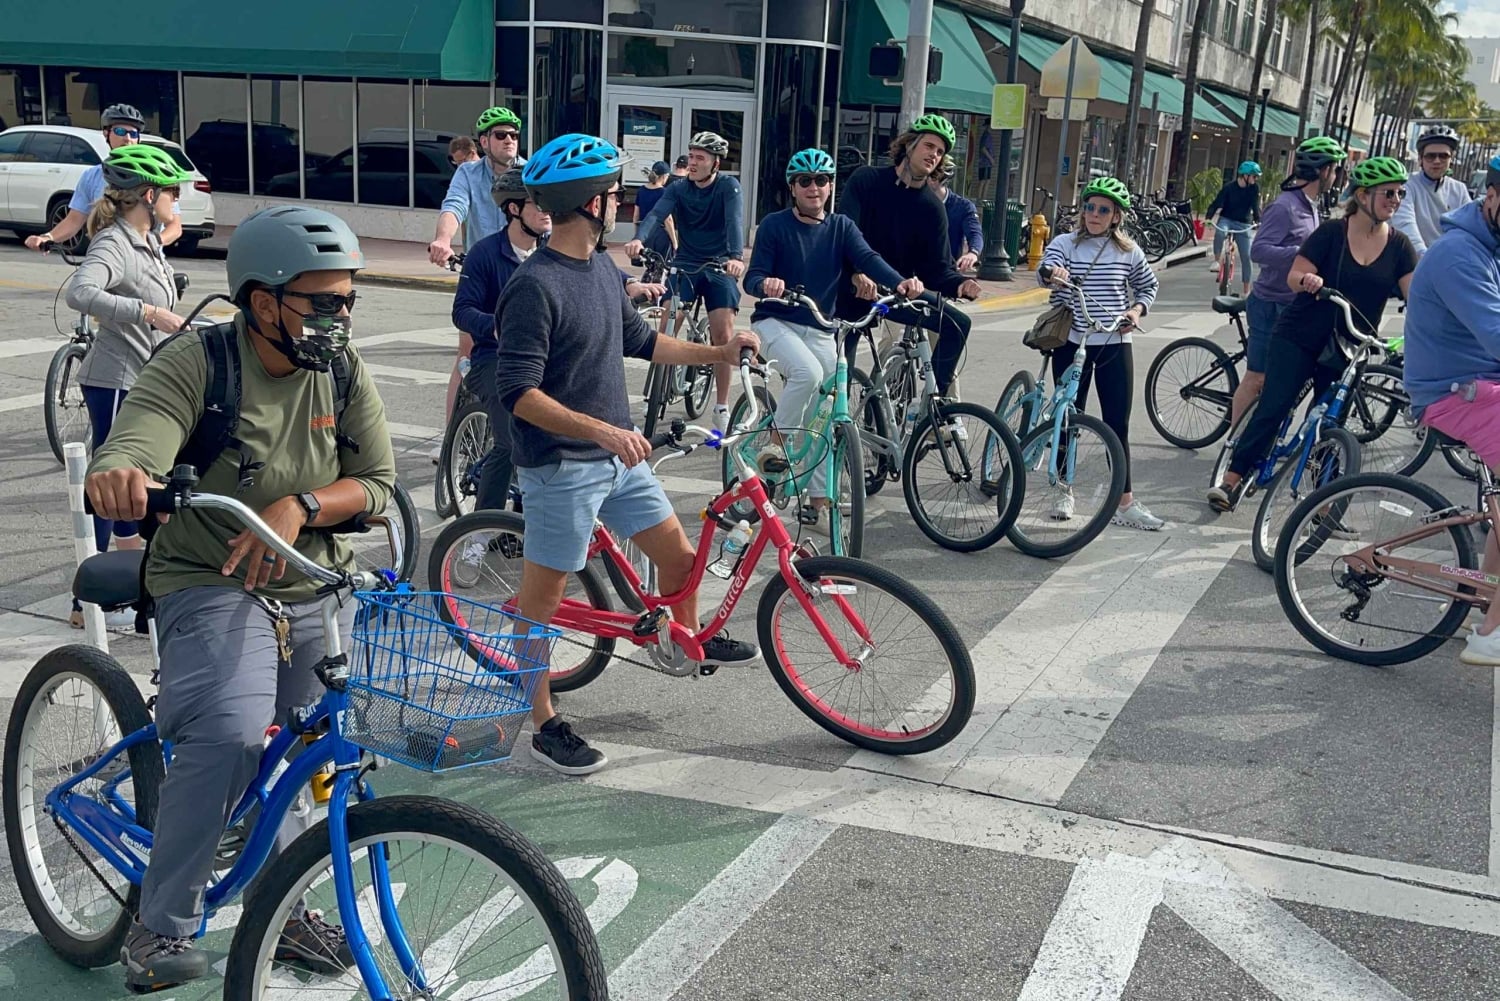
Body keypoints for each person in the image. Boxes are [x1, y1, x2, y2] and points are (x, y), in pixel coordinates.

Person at [85, 205, 396, 990]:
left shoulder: (342, 369)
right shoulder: (201, 361)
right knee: (229, 735)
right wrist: (122, 470)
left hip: (312, 576)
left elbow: (380, 486)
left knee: (308, 752)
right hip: (211, 577)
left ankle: (280, 908)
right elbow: (142, 431)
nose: (340, 318)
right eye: (323, 303)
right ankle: (159, 929)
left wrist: (303, 505)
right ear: (265, 303)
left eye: (348, 301)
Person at [496, 133, 762, 775]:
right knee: (540, 609)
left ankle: (680, 639)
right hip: (562, 466)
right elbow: (518, 393)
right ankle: (541, 727)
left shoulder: (600, 271)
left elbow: (643, 341)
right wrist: (603, 432)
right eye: (614, 192)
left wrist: (719, 354)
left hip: (619, 461)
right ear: (592, 203)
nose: (620, 200)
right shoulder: (536, 286)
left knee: (679, 562)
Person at [1209, 156, 1416, 512]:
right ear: (1363, 195)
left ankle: (1322, 502)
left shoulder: (1399, 247)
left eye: (1400, 193)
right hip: (1300, 335)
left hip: (1349, 346)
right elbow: (1294, 275)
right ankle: (1233, 478)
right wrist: (1308, 280)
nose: (1395, 200)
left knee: (1328, 422)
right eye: (1388, 193)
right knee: (1274, 406)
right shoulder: (1331, 233)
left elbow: (1416, 298)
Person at [742, 148, 922, 530]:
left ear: (830, 187)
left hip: (822, 325)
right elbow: (752, 278)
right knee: (806, 374)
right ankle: (776, 442)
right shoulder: (774, 226)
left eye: (821, 181)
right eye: (804, 181)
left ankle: (819, 501)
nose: (813, 188)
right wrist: (768, 284)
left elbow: (868, 258)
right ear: (792, 188)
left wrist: (899, 282)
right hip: (776, 321)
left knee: (826, 410)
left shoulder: (840, 226)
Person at [63, 145, 194, 628]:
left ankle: (140, 585)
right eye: (172, 195)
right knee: (111, 483)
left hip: (146, 376)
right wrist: (148, 312)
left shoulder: (147, 238)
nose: (176, 204)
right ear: (149, 194)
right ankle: (88, 603)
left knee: (145, 483)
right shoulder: (114, 242)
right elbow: (82, 292)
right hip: (116, 379)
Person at [1403, 156, 1500, 663]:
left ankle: (1490, 599)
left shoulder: (1491, 247)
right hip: (1453, 390)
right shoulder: (1461, 254)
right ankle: (1492, 634)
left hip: (1481, 384)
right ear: (1491, 196)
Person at [1037, 176, 1164, 531]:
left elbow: (1148, 286)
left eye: (1103, 210)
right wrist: (1052, 272)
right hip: (1070, 341)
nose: (1094, 214)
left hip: (1112, 343)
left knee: (1117, 424)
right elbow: (1044, 270)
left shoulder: (1129, 251)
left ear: (1116, 217)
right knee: (1068, 417)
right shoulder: (1065, 243)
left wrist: (1136, 312)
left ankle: (1124, 503)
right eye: (1089, 207)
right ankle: (1063, 488)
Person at [835, 113, 981, 399]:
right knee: (839, 375)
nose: (934, 155)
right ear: (910, 145)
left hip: (897, 295)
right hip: (853, 288)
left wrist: (960, 284)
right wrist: (856, 272)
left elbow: (938, 269)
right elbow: (843, 235)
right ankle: (838, 431)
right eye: (929, 146)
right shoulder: (867, 180)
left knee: (957, 323)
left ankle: (934, 404)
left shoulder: (932, 207)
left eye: (940, 152)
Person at [624, 131, 747, 433]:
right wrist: (638, 239)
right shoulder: (678, 188)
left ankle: (721, 407)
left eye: (700, 158)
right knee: (669, 319)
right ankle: (656, 392)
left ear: (715, 163)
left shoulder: (728, 187)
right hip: (686, 263)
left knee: (723, 333)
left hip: (719, 265)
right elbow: (656, 215)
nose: (692, 162)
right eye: (691, 156)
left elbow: (734, 223)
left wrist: (734, 256)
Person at [448, 168, 552, 510]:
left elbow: (592, 265)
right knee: (511, 442)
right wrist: (495, 326)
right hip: (494, 357)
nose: (547, 210)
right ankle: (478, 531)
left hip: (539, 356)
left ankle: (524, 524)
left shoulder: (553, 251)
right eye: (537, 204)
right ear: (513, 209)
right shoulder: (485, 253)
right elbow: (462, 310)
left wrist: (628, 285)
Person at [1228, 136, 1348, 427]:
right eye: (1333, 170)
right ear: (1322, 171)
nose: (1335, 177)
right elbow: (1259, 250)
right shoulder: (1285, 206)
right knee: (1258, 377)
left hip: (1294, 305)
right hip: (1271, 303)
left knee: (1286, 380)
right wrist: (1302, 253)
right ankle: (1234, 443)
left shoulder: (1311, 206)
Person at [25, 103, 183, 252]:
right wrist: (48, 237)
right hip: (106, 256)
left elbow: (174, 226)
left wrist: (152, 242)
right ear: (106, 133)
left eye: (133, 133)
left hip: (146, 260)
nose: (127, 139)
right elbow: (74, 220)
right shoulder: (91, 177)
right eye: (120, 132)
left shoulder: (153, 175)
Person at [428, 106, 527, 265]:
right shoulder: (468, 173)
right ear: (484, 142)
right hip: (480, 265)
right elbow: (454, 206)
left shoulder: (530, 173)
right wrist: (443, 240)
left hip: (519, 267)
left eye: (514, 135)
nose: (509, 140)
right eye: (501, 135)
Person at [1392, 124, 1472, 256]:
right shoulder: (1407, 185)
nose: (1437, 161)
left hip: (1449, 260)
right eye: (1430, 156)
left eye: (1443, 156)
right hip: (1414, 258)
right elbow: (1405, 224)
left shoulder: (1459, 189)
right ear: (1420, 159)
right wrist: (1425, 257)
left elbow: (1470, 227)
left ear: (1451, 159)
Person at [1207, 161, 1262, 297]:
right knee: (1220, 232)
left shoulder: (1254, 189)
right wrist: (1208, 218)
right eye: (1254, 176)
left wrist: (1258, 221)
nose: (1255, 179)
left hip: (1243, 223)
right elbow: (1217, 203)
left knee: (1246, 257)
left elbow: (1255, 206)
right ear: (1245, 176)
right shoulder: (1229, 188)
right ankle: (1216, 260)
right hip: (1227, 219)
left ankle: (1246, 291)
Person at [929, 154, 983, 272]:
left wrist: (972, 253)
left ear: (935, 180)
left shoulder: (963, 207)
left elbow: (975, 233)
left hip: (946, 270)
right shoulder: (914, 201)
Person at [634, 160, 677, 263]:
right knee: (663, 263)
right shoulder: (664, 192)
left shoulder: (641, 190)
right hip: (660, 234)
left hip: (645, 234)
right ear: (664, 176)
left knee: (649, 264)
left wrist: (638, 236)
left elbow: (636, 216)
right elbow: (668, 219)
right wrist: (675, 243)